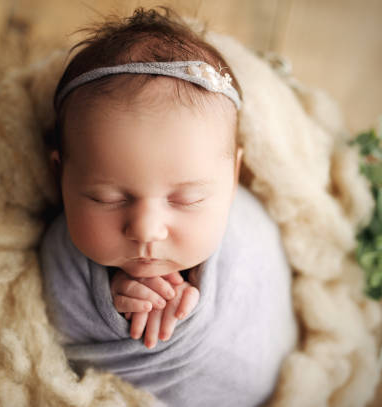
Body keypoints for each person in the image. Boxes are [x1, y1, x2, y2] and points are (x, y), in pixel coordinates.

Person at [40, 7, 297, 406]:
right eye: (108, 197)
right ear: (61, 175)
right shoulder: (58, 251)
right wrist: (107, 303)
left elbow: (264, 293)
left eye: (187, 198)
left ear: (233, 178)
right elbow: (43, 325)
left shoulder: (250, 226)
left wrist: (196, 298)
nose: (146, 229)